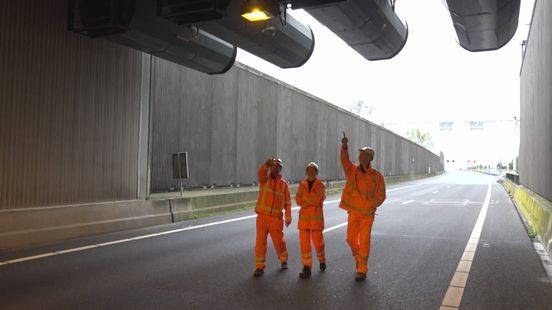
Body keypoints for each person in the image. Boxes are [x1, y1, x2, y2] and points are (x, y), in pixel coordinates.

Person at [339, 132, 386, 281]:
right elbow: (344, 159)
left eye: (362, 154)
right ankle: (359, 258)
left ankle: (362, 269)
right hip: (353, 212)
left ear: (369, 158)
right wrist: (344, 146)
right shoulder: (352, 171)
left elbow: (381, 195)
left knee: (365, 240)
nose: (359, 157)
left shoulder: (377, 176)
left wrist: (372, 205)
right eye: (359, 154)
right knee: (350, 239)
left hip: (367, 215)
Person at [253, 157, 292, 277]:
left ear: (280, 169)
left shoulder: (284, 185)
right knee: (260, 243)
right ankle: (259, 267)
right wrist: (265, 165)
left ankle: (283, 259)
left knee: (279, 242)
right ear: (271, 168)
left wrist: (288, 217)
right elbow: (260, 173)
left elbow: (288, 203)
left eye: (278, 167)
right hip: (262, 218)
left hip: (276, 219)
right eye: (273, 167)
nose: (275, 169)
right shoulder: (264, 180)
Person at [295, 162, 327, 279]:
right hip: (303, 222)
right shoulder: (301, 185)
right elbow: (298, 200)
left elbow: (318, 200)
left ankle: (322, 260)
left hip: (316, 222)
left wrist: (305, 200)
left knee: (318, 244)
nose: (311, 172)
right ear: (307, 171)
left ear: (316, 172)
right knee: (304, 246)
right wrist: (308, 200)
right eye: (309, 170)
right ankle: (306, 267)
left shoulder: (321, 186)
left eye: (313, 170)